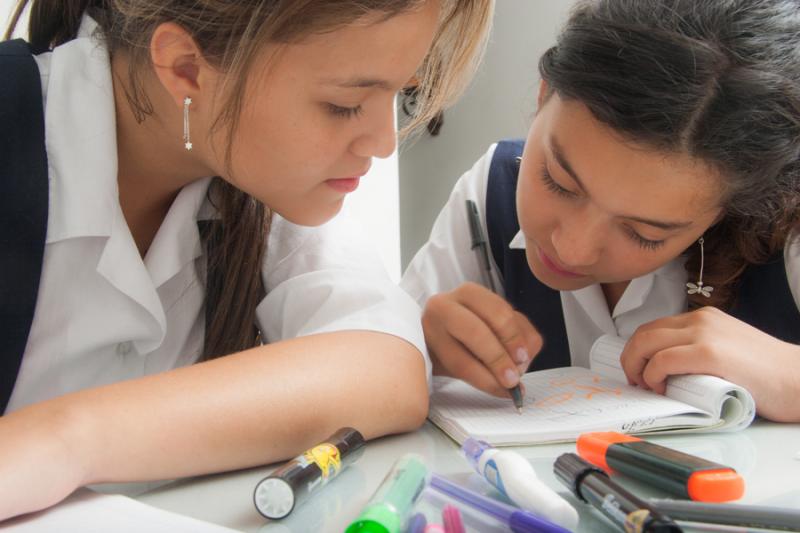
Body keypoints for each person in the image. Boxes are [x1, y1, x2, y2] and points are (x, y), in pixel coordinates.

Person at [0, 0, 494, 520]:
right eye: (345, 105)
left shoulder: (252, 178)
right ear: (186, 69)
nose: (383, 143)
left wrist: (65, 438)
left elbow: (387, 366)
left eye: (403, 94)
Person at [402, 0, 800, 424]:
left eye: (646, 233)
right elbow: (368, 362)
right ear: (543, 95)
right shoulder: (492, 189)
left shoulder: (786, 232)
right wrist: (416, 349)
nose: (572, 251)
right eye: (558, 181)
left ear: (730, 208)